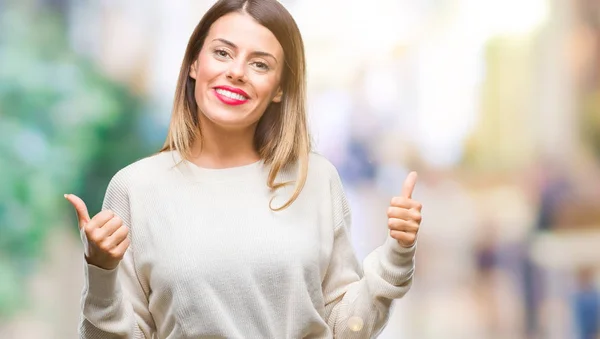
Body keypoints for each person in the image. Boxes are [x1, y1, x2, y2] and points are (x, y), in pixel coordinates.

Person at [65, 0, 423, 338]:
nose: (236, 72)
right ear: (194, 64)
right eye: (222, 53)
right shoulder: (135, 188)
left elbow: (345, 329)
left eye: (260, 63)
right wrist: (101, 271)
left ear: (280, 88)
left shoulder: (315, 179)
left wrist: (396, 254)